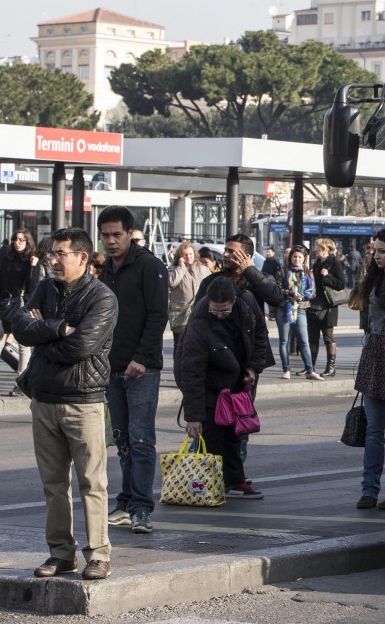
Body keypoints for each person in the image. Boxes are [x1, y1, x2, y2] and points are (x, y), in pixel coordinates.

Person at [5, 227, 117, 581]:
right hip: (43, 399)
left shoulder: (102, 298)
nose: (52, 260)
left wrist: (47, 334)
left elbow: (80, 348)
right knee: (54, 484)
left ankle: (98, 555)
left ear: (83, 258)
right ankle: (61, 554)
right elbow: (20, 327)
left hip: (83, 401)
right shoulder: (44, 288)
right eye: (51, 254)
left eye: (60, 254)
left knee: (92, 483)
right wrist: (59, 328)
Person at [196, 233, 285, 497]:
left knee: (239, 424)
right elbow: (197, 319)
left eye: (233, 252)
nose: (226, 255)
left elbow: (277, 297)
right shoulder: (211, 282)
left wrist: (250, 270)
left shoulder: (253, 282)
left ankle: (235, 477)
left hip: (246, 367)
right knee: (212, 426)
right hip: (216, 363)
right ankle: (207, 479)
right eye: (225, 250)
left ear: (245, 255)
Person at [97, 206, 168, 535]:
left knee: (141, 440)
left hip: (142, 368)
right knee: (122, 440)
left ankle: (141, 508)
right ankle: (125, 502)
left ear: (130, 234)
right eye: (105, 235)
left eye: (116, 234)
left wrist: (141, 357)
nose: (110, 241)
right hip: (111, 367)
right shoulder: (106, 271)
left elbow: (157, 316)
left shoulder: (149, 266)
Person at [176, 276, 267, 499]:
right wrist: (194, 416)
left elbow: (260, 337)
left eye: (223, 311)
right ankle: (207, 484)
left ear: (233, 301)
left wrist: (253, 367)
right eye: (214, 310)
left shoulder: (246, 306)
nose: (218, 314)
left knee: (234, 436)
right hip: (209, 385)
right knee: (212, 438)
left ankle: (235, 480)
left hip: (235, 383)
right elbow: (191, 370)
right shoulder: (200, 321)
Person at [354, 223, 385, 510]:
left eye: (383, 251)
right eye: (375, 250)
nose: (376, 256)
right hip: (374, 354)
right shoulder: (371, 280)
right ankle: (369, 490)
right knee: (374, 431)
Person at [0, 228, 43, 397]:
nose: (17, 242)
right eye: (15, 239)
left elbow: (32, 287)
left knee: (24, 346)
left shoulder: (32, 261)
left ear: (28, 242)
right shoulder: (7, 258)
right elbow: (0, 282)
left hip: (21, 305)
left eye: (21, 240)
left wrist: (32, 266)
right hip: (4, 305)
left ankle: (22, 382)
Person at [276, 245, 322, 381]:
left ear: (304, 259)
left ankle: (310, 370)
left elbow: (312, 292)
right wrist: (290, 293)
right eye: (294, 256)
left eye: (299, 257)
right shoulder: (283, 271)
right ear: (290, 258)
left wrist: (303, 296)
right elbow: (277, 288)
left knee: (304, 341)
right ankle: (286, 369)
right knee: (284, 341)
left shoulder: (308, 273)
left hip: (300, 308)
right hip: (284, 308)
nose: (296, 259)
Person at [306, 238, 346, 377]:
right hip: (315, 305)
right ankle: (310, 367)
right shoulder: (316, 263)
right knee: (312, 337)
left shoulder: (334, 263)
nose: (315, 249)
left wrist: (327, 275)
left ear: (326, 249)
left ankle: (331, 367)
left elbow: (341, 284)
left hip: (328, 306)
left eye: (318, 247)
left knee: (328, 337)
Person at [167, 241, 211, 360]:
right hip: (180, 312)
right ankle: (178, 368)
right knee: (179, 343)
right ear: (180, 256)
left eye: (190, 254)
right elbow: (171, 283)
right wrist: (181, 266)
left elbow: (210, 287)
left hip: (199, 311)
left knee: (198, 343)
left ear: (195, 254)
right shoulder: (173, 268)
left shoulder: (203, 269)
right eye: (185, 254)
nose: (188, 257)